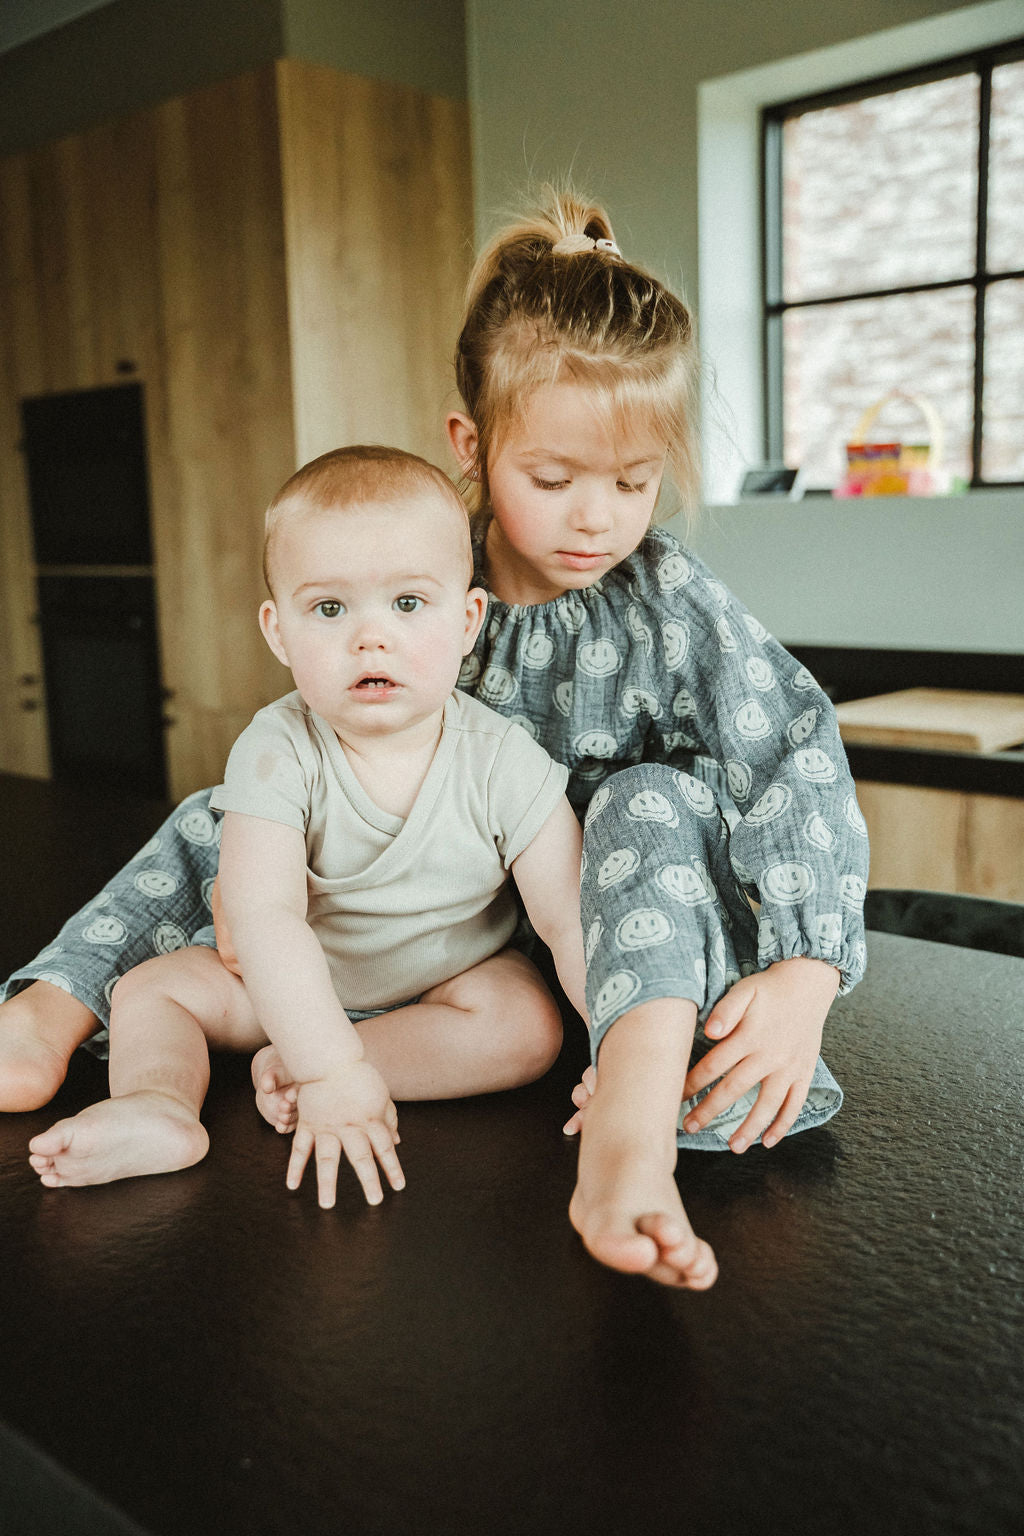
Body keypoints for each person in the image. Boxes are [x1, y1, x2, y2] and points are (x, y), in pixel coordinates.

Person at [3, 187, 869, 1290]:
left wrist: (802, 969)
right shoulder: (412, 570)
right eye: (551, 481)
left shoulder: (665, 599)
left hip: (601, 943)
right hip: (403, 909)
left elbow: (793, 747)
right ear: (473, 445)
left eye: (634, 483)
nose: (594, 518)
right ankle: (50, 1010)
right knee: (220, 815)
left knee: (647, 796)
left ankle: (630, 1122)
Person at [25, 446, 587, 1209]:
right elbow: (264, 918)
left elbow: (569, 919)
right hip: (291, 984)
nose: (370, 637)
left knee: (528, 1024)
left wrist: (621, 1056)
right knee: (151, 991)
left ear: (468, 620)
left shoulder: (503, 759)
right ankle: (157, 1106)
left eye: (408, 604)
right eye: (329, 609)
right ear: (279, 632)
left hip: (445, 985)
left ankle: (314, 1064)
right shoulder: (277, 747)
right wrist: (328, 1069)